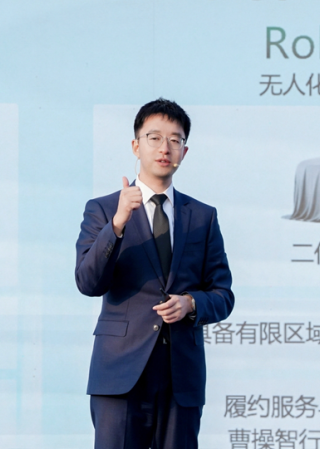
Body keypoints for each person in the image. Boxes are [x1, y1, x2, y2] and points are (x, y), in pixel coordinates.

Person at [75, 98, 234, 449]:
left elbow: (223, 295)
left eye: (175, 140)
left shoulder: (203, 217)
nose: (165, 148)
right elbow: (88, 282)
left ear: (184, 152)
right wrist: (117, 225)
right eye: (155, 138)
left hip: (180, 377)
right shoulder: (104, 209)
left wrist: (191, 303)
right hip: (120, 373)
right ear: (136, 146)